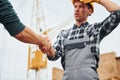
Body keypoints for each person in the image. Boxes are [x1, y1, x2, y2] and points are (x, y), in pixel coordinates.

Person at [41, 0, 120, 80]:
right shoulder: (64, 34)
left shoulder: (94, 30)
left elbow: (118, 13)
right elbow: (54, 55)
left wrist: (98, 0)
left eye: (81, 6)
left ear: (90, 11)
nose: (77, 9)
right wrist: (49, 48)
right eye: (75, 6)